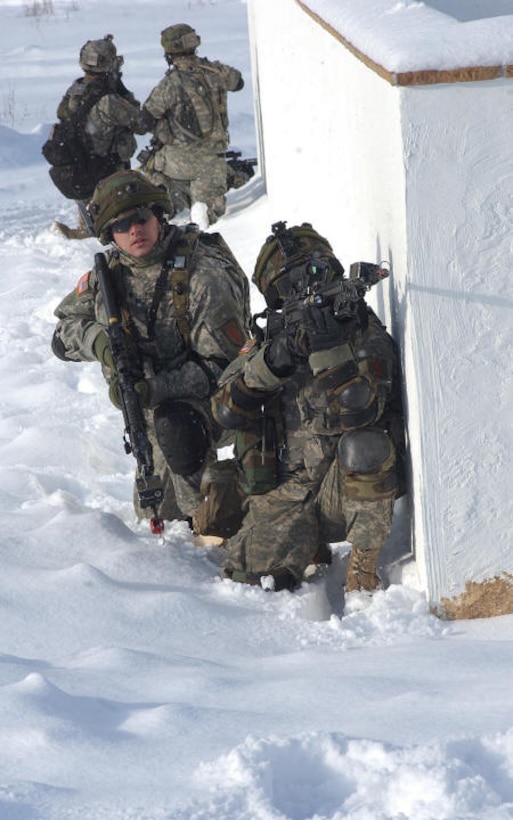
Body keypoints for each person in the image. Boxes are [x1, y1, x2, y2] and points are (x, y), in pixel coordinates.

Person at [51, 170, 252, 537]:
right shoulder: (109, 274)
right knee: (154, 519)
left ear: (158, 216)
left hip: (213, 405)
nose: (134, 231)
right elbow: (62, 334)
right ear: (109, 235)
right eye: (121, 225)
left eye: (141, 218)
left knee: (178, 433)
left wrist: (154, 388)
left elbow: (223, 369)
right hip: (150, 413)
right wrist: (102, 344)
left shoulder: (202, 274)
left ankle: (216, 526)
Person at [211, 222, 406, 593]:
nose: (304, 288)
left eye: (314, 273)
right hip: (283, 495)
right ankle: (304, 543)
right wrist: (277, 359)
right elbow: (224, 412)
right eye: (289, 284)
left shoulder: (365, 334)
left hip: (343, 494)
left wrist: (329, 349)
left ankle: (362, 570)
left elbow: (361, 409)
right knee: (252, 582)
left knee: (366, 445)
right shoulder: (265, 345)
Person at [139, 24, 244, 229]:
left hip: (177, 163)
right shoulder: (217, 71)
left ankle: (167, 198)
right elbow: (238, 82)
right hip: (212, 164)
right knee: (206, 216)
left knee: (151, 166)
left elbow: (144, 122)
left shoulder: (169, 84)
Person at [50, 35, 146, 240]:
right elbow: (140, 123)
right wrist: (123, 92)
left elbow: (63, 114)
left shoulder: (75, 90)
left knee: (92, 205)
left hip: (82, 162)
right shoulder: (109, 100)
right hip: (106, 167)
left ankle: (85, 227)